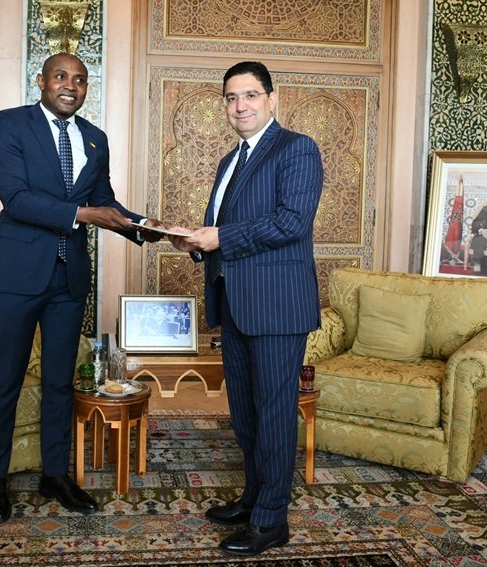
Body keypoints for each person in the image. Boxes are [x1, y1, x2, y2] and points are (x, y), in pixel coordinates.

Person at [0, 52, 165, 524]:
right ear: (40, 80)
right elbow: (16, 199)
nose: (70, 85)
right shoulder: (11, 124)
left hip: (68, 277)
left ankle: (55, 475)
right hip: (18, 275)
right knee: (6, 378)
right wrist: (84, 215)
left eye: (79, 80)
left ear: (86, 88)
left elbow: (104, 202)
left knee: (61, 381)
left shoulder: (95, 139)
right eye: (60, 76)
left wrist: (146, 227)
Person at [166, 61, 323, 556]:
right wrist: (194, 243)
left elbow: (291, 222)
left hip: (277, 306)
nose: (241, 106)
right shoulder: (229, 161)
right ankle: (254, 497)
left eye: (251, 95)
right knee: (246, 414)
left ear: (272, 99)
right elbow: (222, 230)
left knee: (273, 414)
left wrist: (220, 238)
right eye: (232, 97)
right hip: (234, 302)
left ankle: (271, 520)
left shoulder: (297, 148)